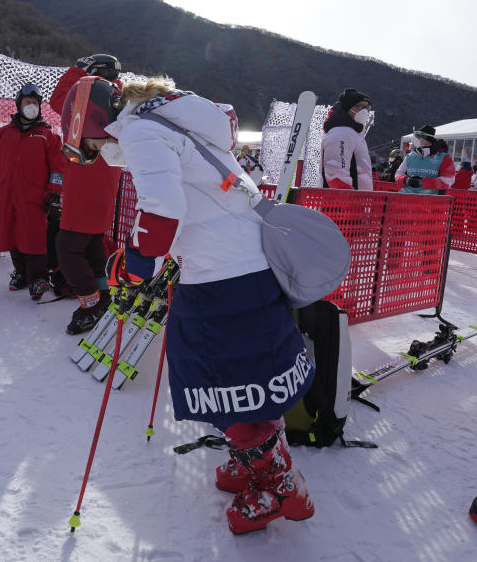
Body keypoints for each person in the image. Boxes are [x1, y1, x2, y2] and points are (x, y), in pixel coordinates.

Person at [100, 75, 316, 535]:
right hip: (248, 267)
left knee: (219, 380)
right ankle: (254, 461)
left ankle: (279, 484)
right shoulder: (183, 124)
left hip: (220, 276)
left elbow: (162, 210)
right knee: (252, 376)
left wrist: (135, 267)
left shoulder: (140, 130)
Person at [49, 56, 124, 334]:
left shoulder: (90, 96)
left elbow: (59, 101)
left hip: (86, 181)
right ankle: (102, 297)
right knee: (91, 243)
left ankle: (90, 306)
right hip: (101, 184)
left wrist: (78, 70)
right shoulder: (117, 98)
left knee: (67, 248)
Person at [0, 83, 64, 300]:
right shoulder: (2, 135)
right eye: (27, 103)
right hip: (8, 195)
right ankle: (22, 272)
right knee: (12, 235)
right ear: (19, 105)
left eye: (35, 103)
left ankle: (38, 278)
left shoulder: (47, 135)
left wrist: (54, 191)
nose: (31, 106)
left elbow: (58, 166)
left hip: (35, 198)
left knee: (34, 236)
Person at [320, 88, 374, 190]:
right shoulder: (341, 133)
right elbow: (336, 176)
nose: (365, 111)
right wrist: (349, 202)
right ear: (347, 108)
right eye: (360, 106)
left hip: (356, 201)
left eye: (367, 107)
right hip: (342, 203)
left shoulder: (353, 133)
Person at [394, 125, 455, 194]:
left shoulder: (443, 157)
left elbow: (448, 180)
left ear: (428, 138)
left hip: (429, 200)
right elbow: (398, 173)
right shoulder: (410, 156)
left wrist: (423, 182)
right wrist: (406, 180)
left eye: (420, 136)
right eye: (417, 136)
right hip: (405, 198)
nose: (417, 139)